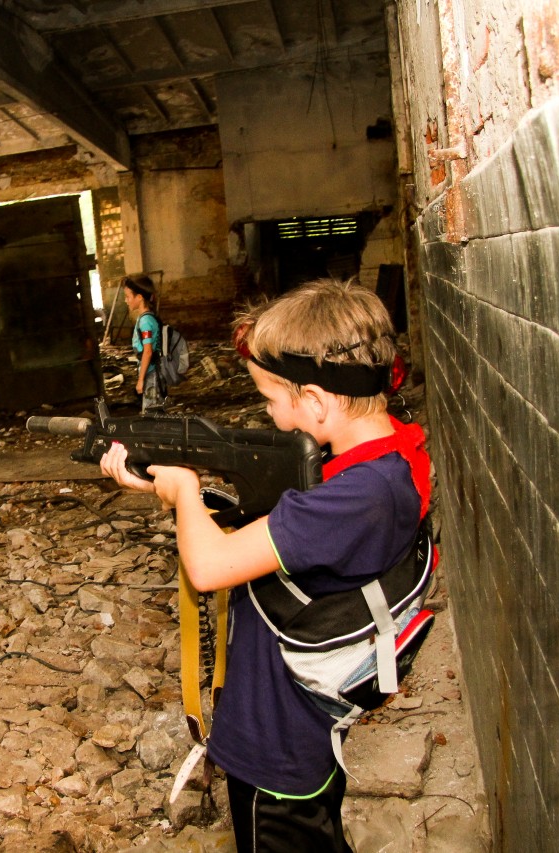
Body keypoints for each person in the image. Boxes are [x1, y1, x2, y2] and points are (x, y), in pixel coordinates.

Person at [99, 278, 431, 853]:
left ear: (317, 402)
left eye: (272, 401)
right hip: (301, 725)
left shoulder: (358, 497)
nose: (271, 415)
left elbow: (209, 568)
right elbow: (285, 530)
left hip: (277, 743)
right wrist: (175, 490)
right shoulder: (388, 459)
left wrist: (184, 492)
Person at [121, 274, 165, 413]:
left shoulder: (145, 321)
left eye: (128, 296)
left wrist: (141, 380)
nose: (126, 300)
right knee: (155, 413)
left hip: (151, 373)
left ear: (139, 297)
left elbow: (147, 351)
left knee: (151, 415)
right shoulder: (147, 318)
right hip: (153, 371)